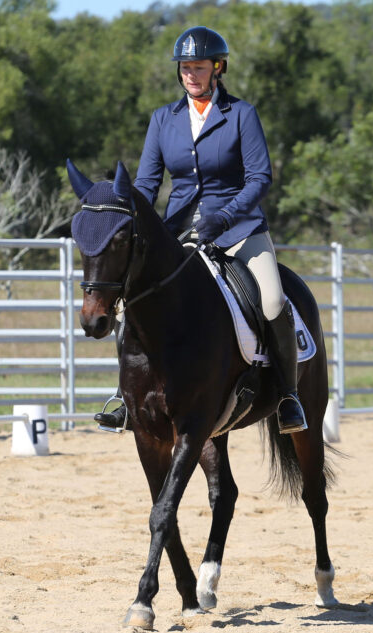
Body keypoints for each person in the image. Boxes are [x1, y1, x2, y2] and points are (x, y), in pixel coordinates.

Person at [94, 25, 307, 434]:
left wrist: (225, 216)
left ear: (218, 68)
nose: (191, 74)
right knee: (129, 301)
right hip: (177, 231)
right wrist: (133, 217)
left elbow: (260, 178)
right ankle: (126, 396)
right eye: (185, 67)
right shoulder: (163, 119)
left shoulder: (241, 114)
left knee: (273, 301)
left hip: (239, 229)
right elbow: (146, 184)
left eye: (199, 67)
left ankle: (287, 395)